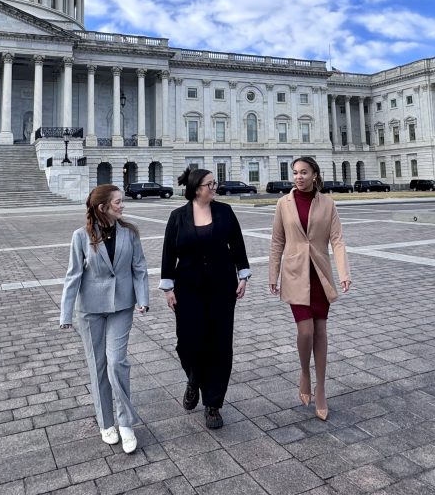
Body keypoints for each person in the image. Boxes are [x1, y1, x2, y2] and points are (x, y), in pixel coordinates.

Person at [59, 185, 149, 453]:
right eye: (119, 202)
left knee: (116, 362)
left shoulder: (130, 233)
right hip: (89, 309)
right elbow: (73, 275)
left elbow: (139, 267)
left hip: (122, 306)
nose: (123, 205)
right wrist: (65, 313)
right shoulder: (80, 237)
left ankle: (125, 423)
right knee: (97, 365)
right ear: (103, 207)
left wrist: (143, 299)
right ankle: (105, 421)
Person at [160, 167, 251, 430]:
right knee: (187, 342)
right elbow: (168, 254)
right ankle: (194, 380)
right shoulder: (178, 216)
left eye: (214, 183)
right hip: (187, 288)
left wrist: (243, 275)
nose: (214, 187)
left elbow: (238, 246)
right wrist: (168, 288)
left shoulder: (225, 211)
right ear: (196, 188)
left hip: (222, 287)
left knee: (220, 344)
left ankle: (213, 403)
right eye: (210, 184)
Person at [269, 156, 350, 421]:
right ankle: (305, 372)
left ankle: (322, 387)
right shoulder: (284, 203)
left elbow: (337, 240)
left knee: (321, 331)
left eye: (304, 172)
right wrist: (273, 274)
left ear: (315, 174)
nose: (298, 177)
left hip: (319, 274)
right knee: (305, 331)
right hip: (294, 274)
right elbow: (277, 242)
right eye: (295, 173)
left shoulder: (327, 203)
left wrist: (344, 273)